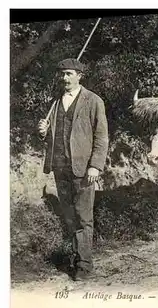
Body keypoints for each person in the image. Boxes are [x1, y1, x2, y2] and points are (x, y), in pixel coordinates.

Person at [37, 58, 109, 281]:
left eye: (69, 74)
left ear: (80, 75)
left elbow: (101, 136)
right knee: (69, 217)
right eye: (62, 74)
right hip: (60, 168)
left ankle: (84, 265)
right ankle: (76, 256)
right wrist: (42, 132)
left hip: (83, 169)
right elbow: (52, 136)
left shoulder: (93, 101)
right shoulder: (55, 103)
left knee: (83, 216)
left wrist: (95, 166)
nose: (64, 78)